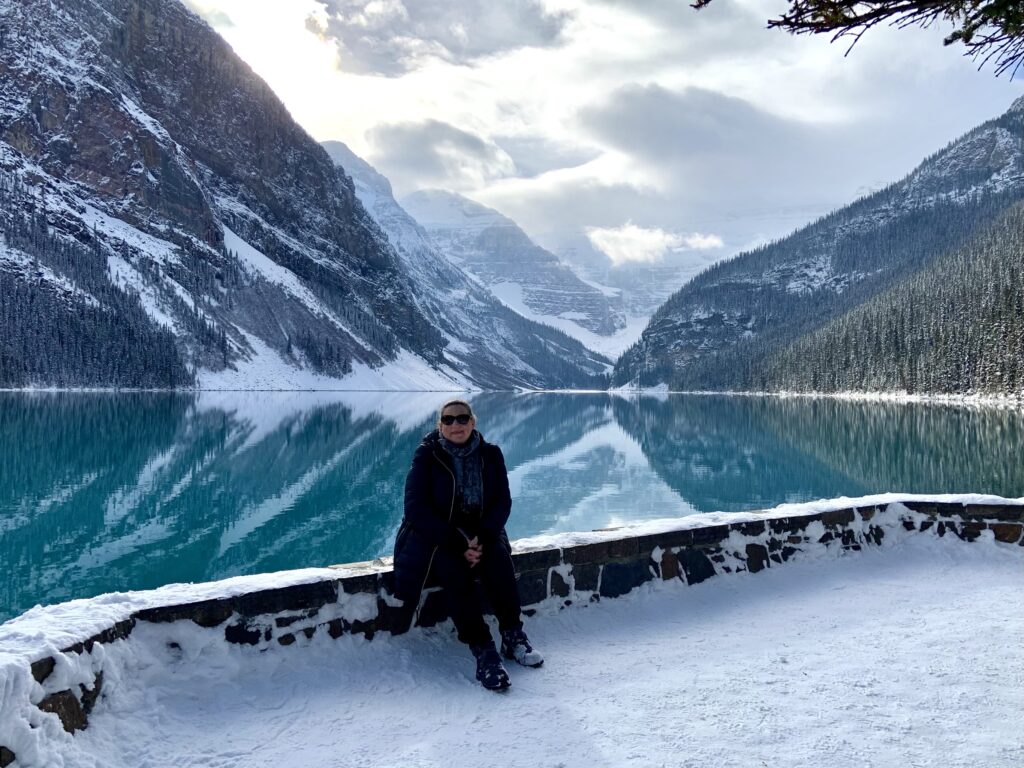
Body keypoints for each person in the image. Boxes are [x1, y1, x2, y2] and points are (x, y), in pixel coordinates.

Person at [392, 399, 543, 691]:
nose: (455, 425)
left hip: (483, 532)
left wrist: (484, 537)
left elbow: (502, 501)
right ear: (440, 426)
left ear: (473, 422)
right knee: (454, 569)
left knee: (499, 561)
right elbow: (416, 508)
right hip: (440, 536)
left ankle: (513, 637)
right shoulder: (427, 456)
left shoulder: (491, 454)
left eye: (462, 419)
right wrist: (459, 541)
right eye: (448, 420)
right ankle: (483, 650)